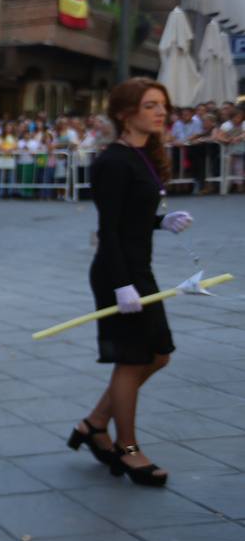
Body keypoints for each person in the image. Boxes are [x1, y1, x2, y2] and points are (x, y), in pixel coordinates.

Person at [69, 79, 192, 487]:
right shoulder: (113, 161)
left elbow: (131, 216)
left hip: (139, 267)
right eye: (151, 105)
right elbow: (110, 228)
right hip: (118, 271)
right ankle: (128, 449)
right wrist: (122, 284)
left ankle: (95, 423)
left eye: (163, 106)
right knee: (135, 358)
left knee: (157, 355)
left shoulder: (143, 155)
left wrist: (161, 221)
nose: (161, 112)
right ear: (126, 113)